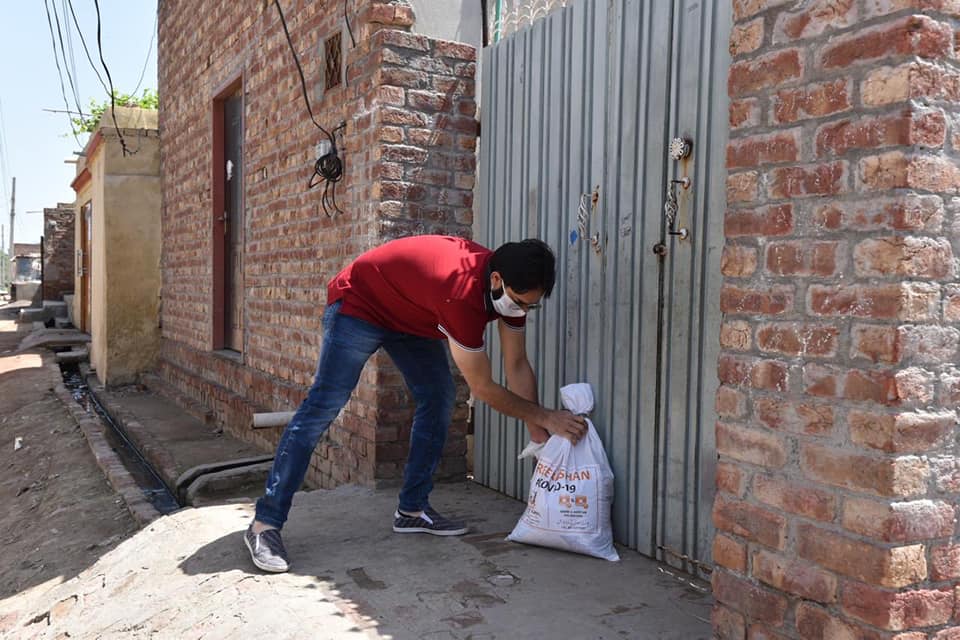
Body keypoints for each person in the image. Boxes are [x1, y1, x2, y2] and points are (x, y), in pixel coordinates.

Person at [244, 234, 588, 572]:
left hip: (411, 316)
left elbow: (516, 364)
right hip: (361, 304)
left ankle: (411, 511)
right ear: (496, 279)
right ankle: (264, 525)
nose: (522, 310)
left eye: (531, 305)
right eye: (519, 301)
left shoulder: (510, 291)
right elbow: (482, 388)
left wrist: (539, 436)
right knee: (324, 406)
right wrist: (545, 415)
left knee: (438, 397)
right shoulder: (460, 295)